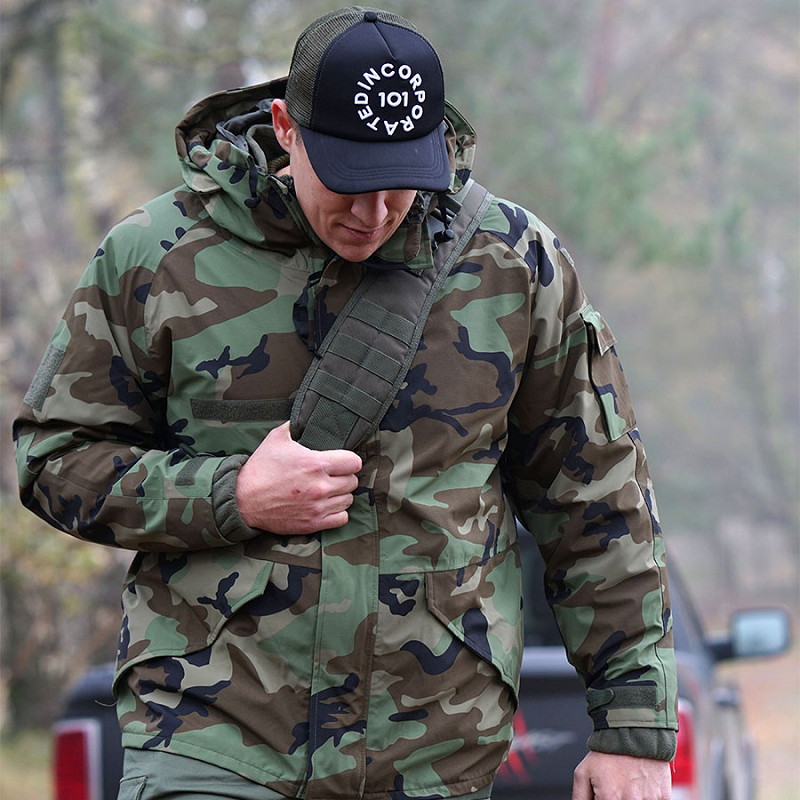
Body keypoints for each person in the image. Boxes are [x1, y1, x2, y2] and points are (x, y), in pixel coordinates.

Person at [14, 7, 677, 800]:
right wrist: (231, 495)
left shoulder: (513, 263)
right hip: (212, 732)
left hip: (435, 749)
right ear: (286, 130)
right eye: (351, 181)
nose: (374, 212)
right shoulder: (156, 255)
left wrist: (632, 728)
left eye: (401, 182)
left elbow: (595, 496)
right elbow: (56, 459)